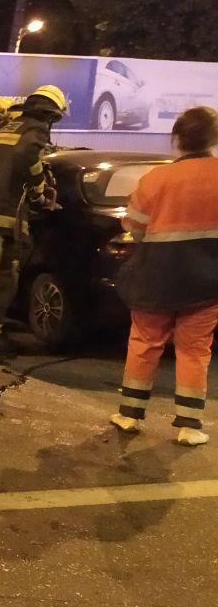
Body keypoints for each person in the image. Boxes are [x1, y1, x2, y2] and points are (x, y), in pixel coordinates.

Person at [110, 106, 218, 446]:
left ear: (178, 139)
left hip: (155, 277)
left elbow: (134, 227)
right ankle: (189, 425)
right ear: (213, 138)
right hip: (206, 281)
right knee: (195, 350)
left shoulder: (155, 179)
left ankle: (129, 415)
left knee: (145, 342)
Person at [0, 85, 66, 349]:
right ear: (50, 115)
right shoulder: (36, 129)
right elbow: (25, 157)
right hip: (0, 215)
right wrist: (38, 184)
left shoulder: (10, 127)